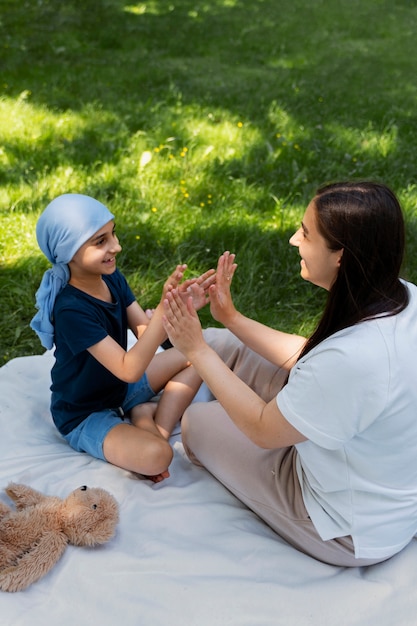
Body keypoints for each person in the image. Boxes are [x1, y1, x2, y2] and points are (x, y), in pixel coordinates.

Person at [162, 181, 417, 565]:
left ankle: (156, 413)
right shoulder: (402, 295)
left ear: (341, 257)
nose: (293, 239)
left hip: (346, 527)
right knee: (225, 344)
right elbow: (310, 358)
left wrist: (194, 350)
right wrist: (231, 318)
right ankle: (139, 385)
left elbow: (264, 430)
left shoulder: (353, 359)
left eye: (306, 233)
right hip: (368, 464)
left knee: (197, 420)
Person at [30, 193, 213, 482]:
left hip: (120, 387)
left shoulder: (112, 277)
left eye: (112, 234)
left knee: (203, 355)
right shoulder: (71, 309)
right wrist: (162, 310)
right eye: (101, 241)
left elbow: (145, 333)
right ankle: (144, 421)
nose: (117, 246)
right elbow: (130, 369)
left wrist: (178, 310)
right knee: (159, 457)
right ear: (68, 251)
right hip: (86, 413)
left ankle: (152, 424)